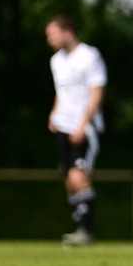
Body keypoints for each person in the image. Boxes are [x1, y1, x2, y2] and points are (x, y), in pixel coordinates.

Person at [45, 14, 107, 246]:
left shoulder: (89, 56)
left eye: (53, 34)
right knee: (69, 180)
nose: (49, 39)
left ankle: (85, 231)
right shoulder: (56, 61)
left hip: (84, 127)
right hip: (63, 125)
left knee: (77, 176)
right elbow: (61, 91)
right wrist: (54, 114)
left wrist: (83, 123)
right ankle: (79, 229)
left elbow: (96, 91)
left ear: (68, 32)